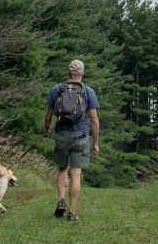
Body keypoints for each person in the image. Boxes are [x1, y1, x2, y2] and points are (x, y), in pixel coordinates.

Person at [44, 59, 100, 222]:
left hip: (62, 134)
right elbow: (94, 120)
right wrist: (95, 143)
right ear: (82, 74)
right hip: (81, 135)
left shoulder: (56, 89)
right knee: (76, 173)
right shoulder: (88, 91)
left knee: (62, 169)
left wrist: (47, 128)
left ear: (68, 73)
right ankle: (72, 212)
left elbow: (48, 115)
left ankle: (61, 199)